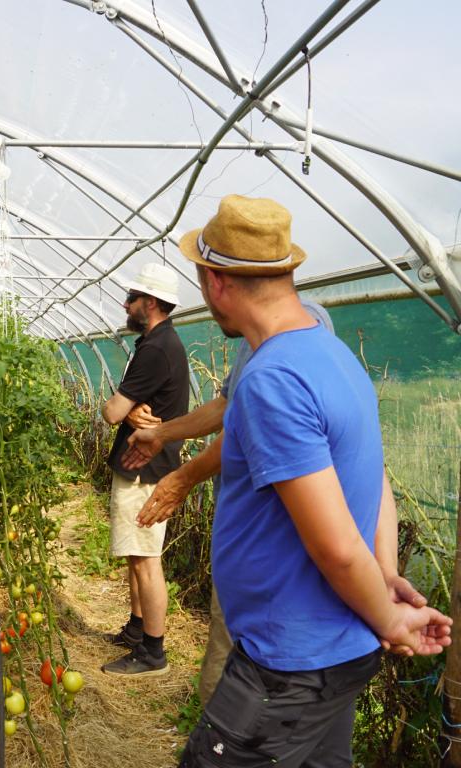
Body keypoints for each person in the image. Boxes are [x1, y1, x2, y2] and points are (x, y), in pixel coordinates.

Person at [172, 194, 450, 766]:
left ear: (215, 281)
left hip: (287, 667)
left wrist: (390, 616)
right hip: (339, 652)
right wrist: (388, 577)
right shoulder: (335, 356)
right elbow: (378, 487)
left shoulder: (271, 378)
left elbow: (334, 547)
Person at [121, 298, 333, 706]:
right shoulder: (252, 340)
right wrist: (164, 433)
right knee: (228, 634)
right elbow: (226, 406)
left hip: (272, 530)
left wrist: (183, 477)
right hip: (243, 526)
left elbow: (253, 422)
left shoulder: (296, 333)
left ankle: (226, 738)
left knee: (252, 653)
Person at [99, 262, 190, 677]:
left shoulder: (155, 348)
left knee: (146, 558)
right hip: (146, 465)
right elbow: (130, 410)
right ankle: (137, 631)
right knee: (137, 556)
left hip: (145, 469)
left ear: (149, 303)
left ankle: (153, 651)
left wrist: (125, 408)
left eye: (132, 299)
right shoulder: (160, 343)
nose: (126, 304)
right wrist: (134, 409)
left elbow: (111, 412)